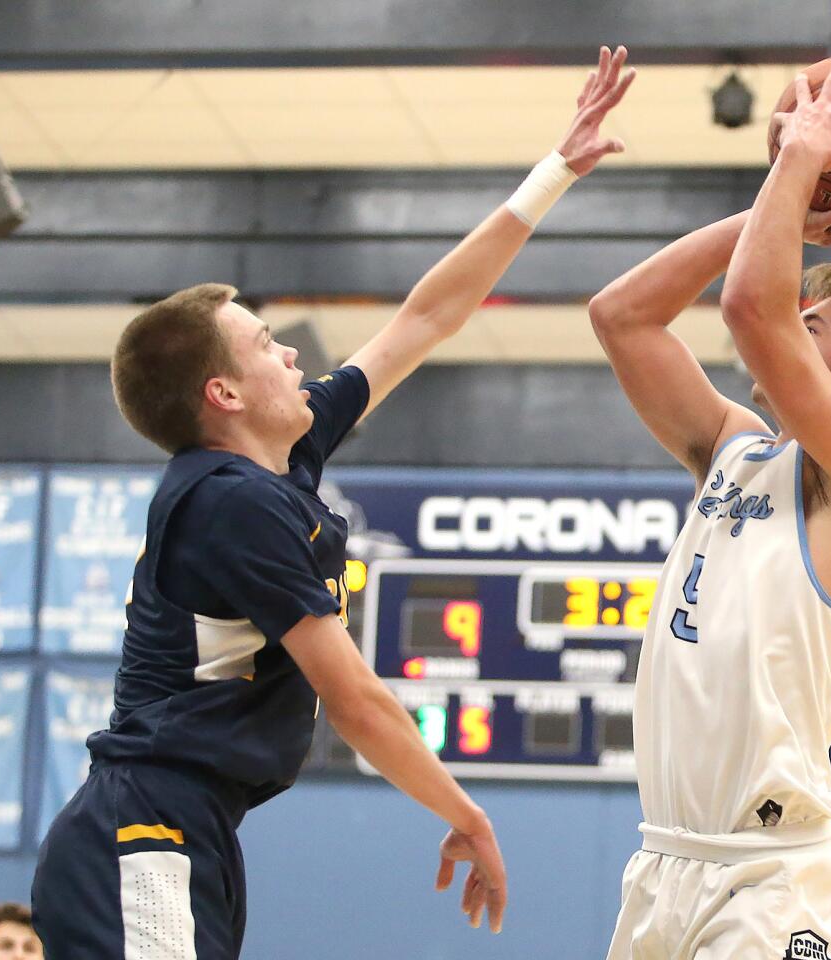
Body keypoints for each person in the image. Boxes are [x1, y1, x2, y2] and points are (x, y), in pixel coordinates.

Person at [31, 46, 636, 959]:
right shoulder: (232, 504)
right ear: (222, 396)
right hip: (143, 825)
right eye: (266, 345)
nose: (291, 357)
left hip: (193, 828)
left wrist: (556, 170)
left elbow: (426, 318)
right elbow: (354, 699)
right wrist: (466, 812)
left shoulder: (283, 454)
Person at [592, 60, 831, 960]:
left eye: (818, 322)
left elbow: (753, 308)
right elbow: (622, 316)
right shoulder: (738, 450)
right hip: (662, 866)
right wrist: (790, 210)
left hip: (769, 879)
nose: (795, 312)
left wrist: (797, 166)